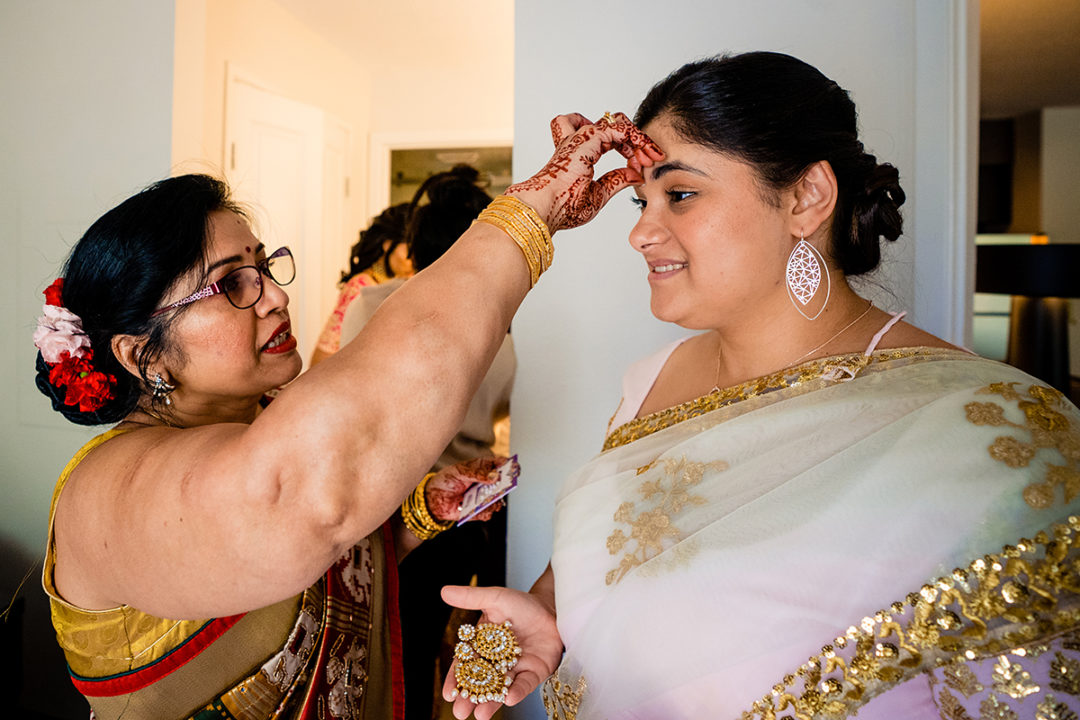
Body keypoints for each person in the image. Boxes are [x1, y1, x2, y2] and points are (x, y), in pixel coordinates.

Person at [440, 52, 1080, 720]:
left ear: (807, 197)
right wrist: (548, 609)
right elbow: (630, 552)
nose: (639, 231)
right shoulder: (650, 382)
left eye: (680, 194)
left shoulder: (996, 432)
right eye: (641, 199)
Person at [32, 115, 663, 720]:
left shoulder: (273, 417)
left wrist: (414, 518)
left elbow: (306, 552)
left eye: (263, 267)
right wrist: (533, 210)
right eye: (231, 285)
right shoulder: (103, 489)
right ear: (143, 353)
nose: (275, 295)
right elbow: (295, 502)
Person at [338, 165, 515, 720]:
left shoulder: (374, 306)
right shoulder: (507, 328)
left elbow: (348, 405)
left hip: (389, 509)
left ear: (414, 241)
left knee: (394, 650)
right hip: (465, 516)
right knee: (436, 644)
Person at [309, 202, 412, 367]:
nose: (413, 259)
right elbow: (321, 359)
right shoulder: (361, 286)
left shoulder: (399, 283)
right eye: (410, 249)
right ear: (387, 244)